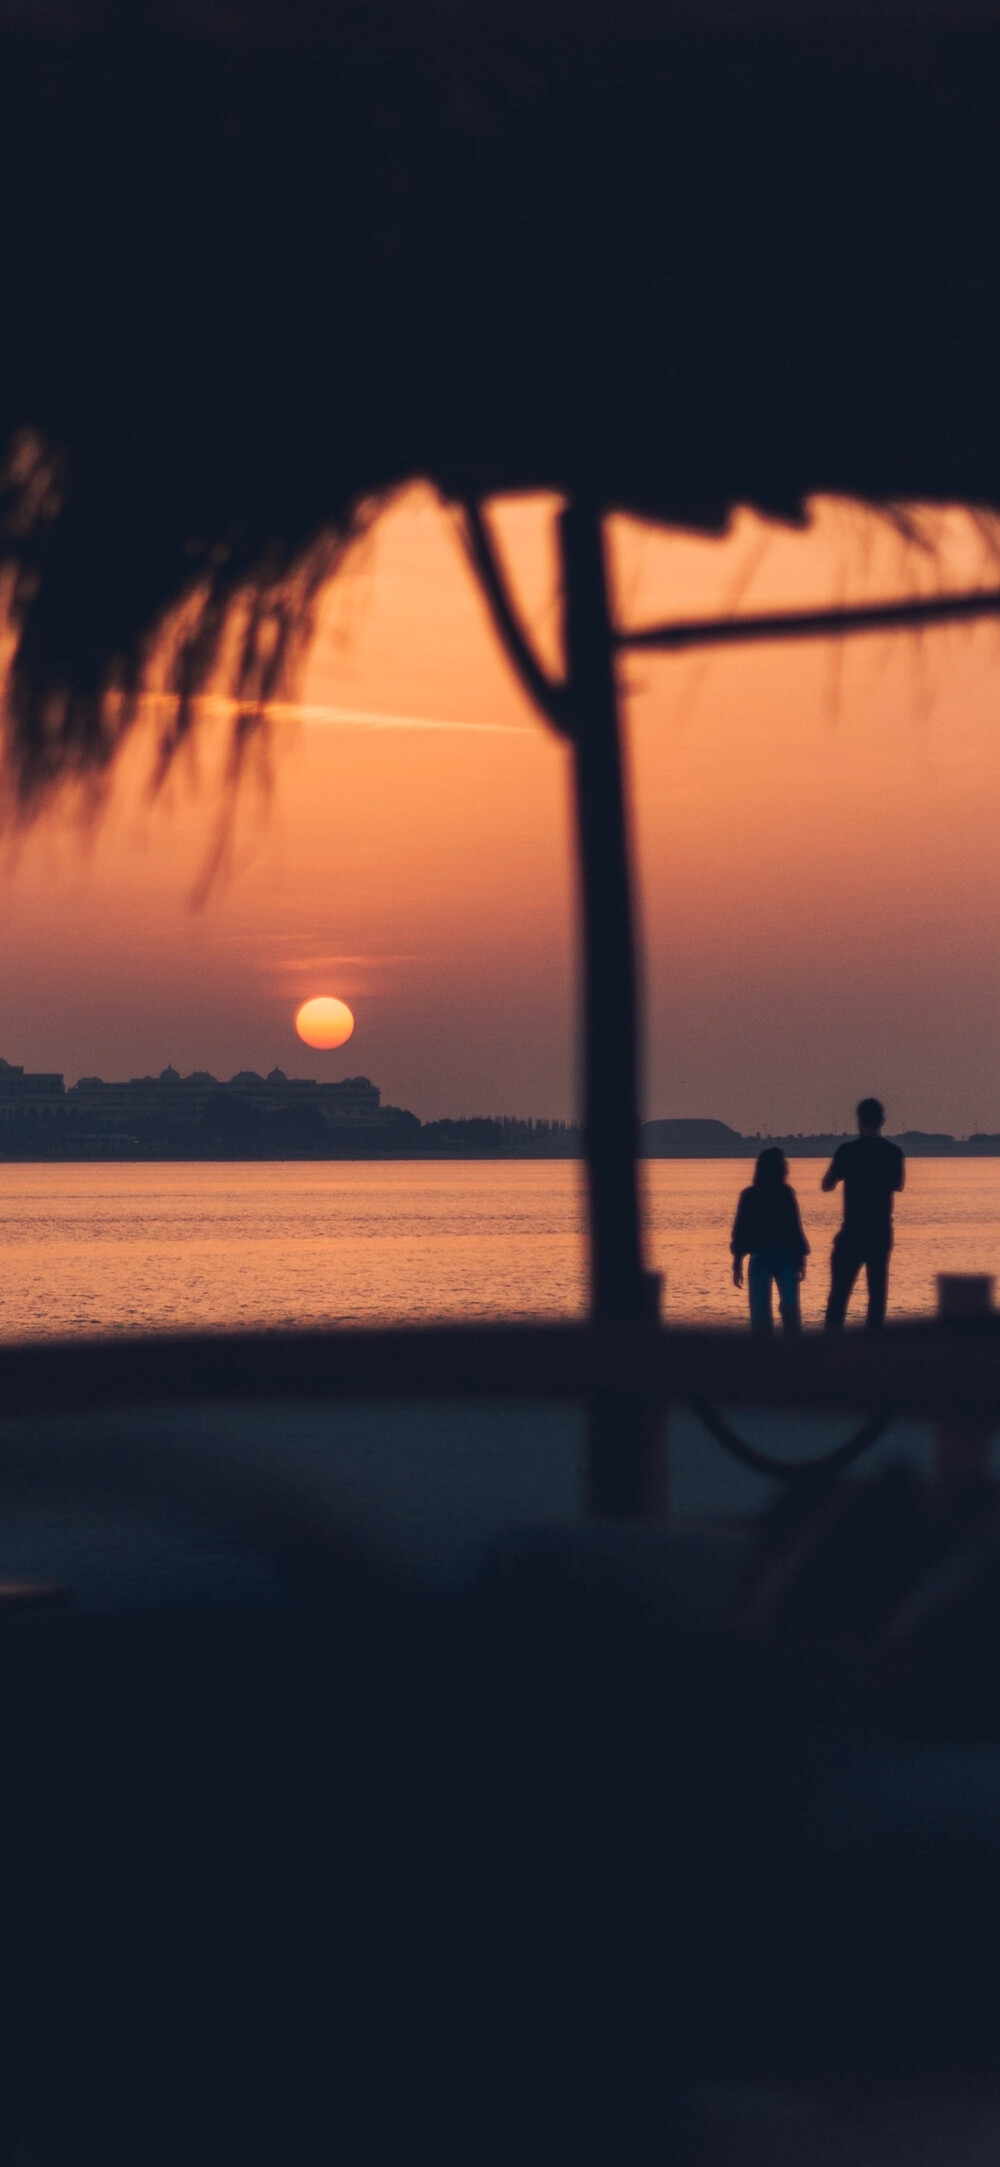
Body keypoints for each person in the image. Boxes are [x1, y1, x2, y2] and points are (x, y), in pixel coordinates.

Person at [822, 1097, 905, 1331]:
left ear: (859, 1120)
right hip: (880, 1231)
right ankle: (874, 1345)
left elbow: (827, 1185)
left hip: (853, 1230)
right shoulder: (893, 1152)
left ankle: (831, 1343)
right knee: (877, 1294)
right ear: (883, 1121)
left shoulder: (847, 1151)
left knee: (839, 1294)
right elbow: (898, 1184)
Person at [731, 1147, 809, 1335]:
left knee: (760, 1316)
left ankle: (765, 1354)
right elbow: (794, 1228)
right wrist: (801, 1260)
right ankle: (793, 1354)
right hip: (786, 1257)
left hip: (760, 1257)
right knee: (791, 1313)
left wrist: (737, 1263)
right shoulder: (785, 1193)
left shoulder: (750, 1194)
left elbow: (741, 1232)